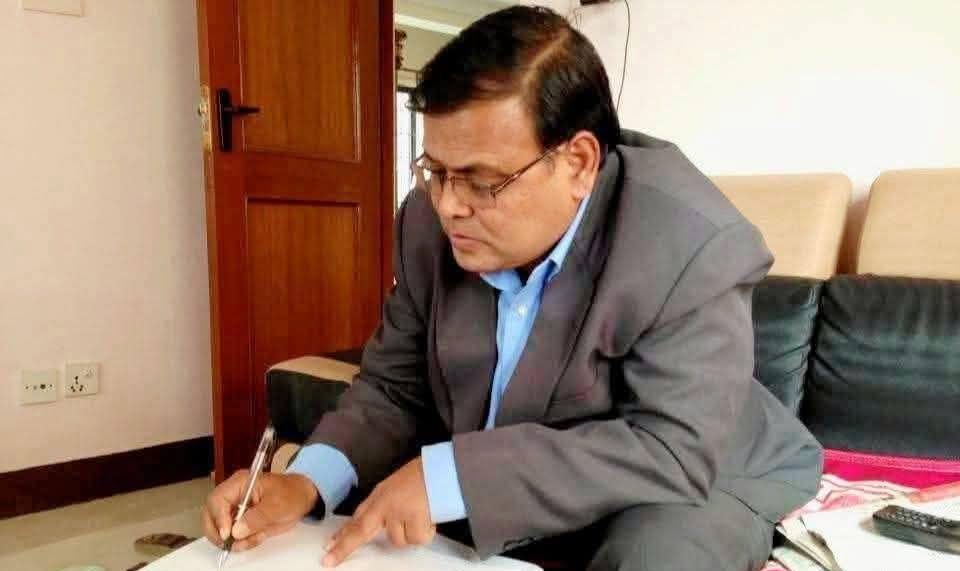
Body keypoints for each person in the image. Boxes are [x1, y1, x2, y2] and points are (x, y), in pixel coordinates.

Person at [202, 6, 822, 570]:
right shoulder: (425, 223)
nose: (449, 206)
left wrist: (455, 478)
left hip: (692, 467)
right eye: (435, 171)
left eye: (481, 182)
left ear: (578, 163)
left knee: (658, 556)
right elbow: (393, 385)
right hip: (523, 466)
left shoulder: (692, 241)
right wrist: (305, 480)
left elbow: (670, 445)